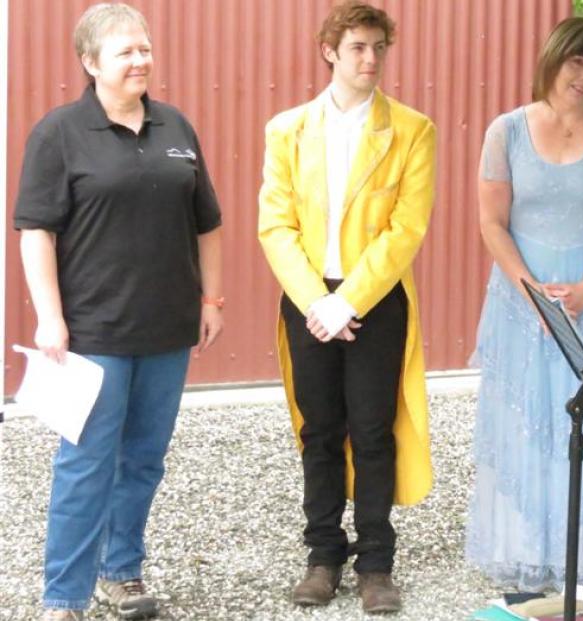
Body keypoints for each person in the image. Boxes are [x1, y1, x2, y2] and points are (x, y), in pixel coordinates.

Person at [13, 4, 224, 620]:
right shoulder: (60, 132)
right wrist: (50, 317)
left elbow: (206, 223)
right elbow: (35, 231)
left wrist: (210, 299)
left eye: (145, 48)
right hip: (94, 331)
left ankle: (120, 572)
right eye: (125, 51)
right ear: (90, 62)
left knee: (143, 459)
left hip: (166, 329)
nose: (140, 60)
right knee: (85, 465)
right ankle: (64, 595)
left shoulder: (176, 127)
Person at [257, 0, 435, 613]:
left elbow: (406, 231)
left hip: (375, 302)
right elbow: (275, 226)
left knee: (374, 431)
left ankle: (377, 564)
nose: (371, 59)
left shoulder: (412, 130)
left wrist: (349, 299)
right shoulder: (287, 131)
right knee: (320, 431)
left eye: (379, 48)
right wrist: (317, 301)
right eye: (358, 47)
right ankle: (323, 555)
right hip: (309, 301)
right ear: (330, 51)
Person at [465, 17, 583, 591]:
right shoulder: (506, 131)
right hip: (523, 303)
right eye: (578, 63)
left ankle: (582, 569)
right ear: (555, 58)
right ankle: (525, 570)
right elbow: (492, 222)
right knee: (525, 430)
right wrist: (532, 294)